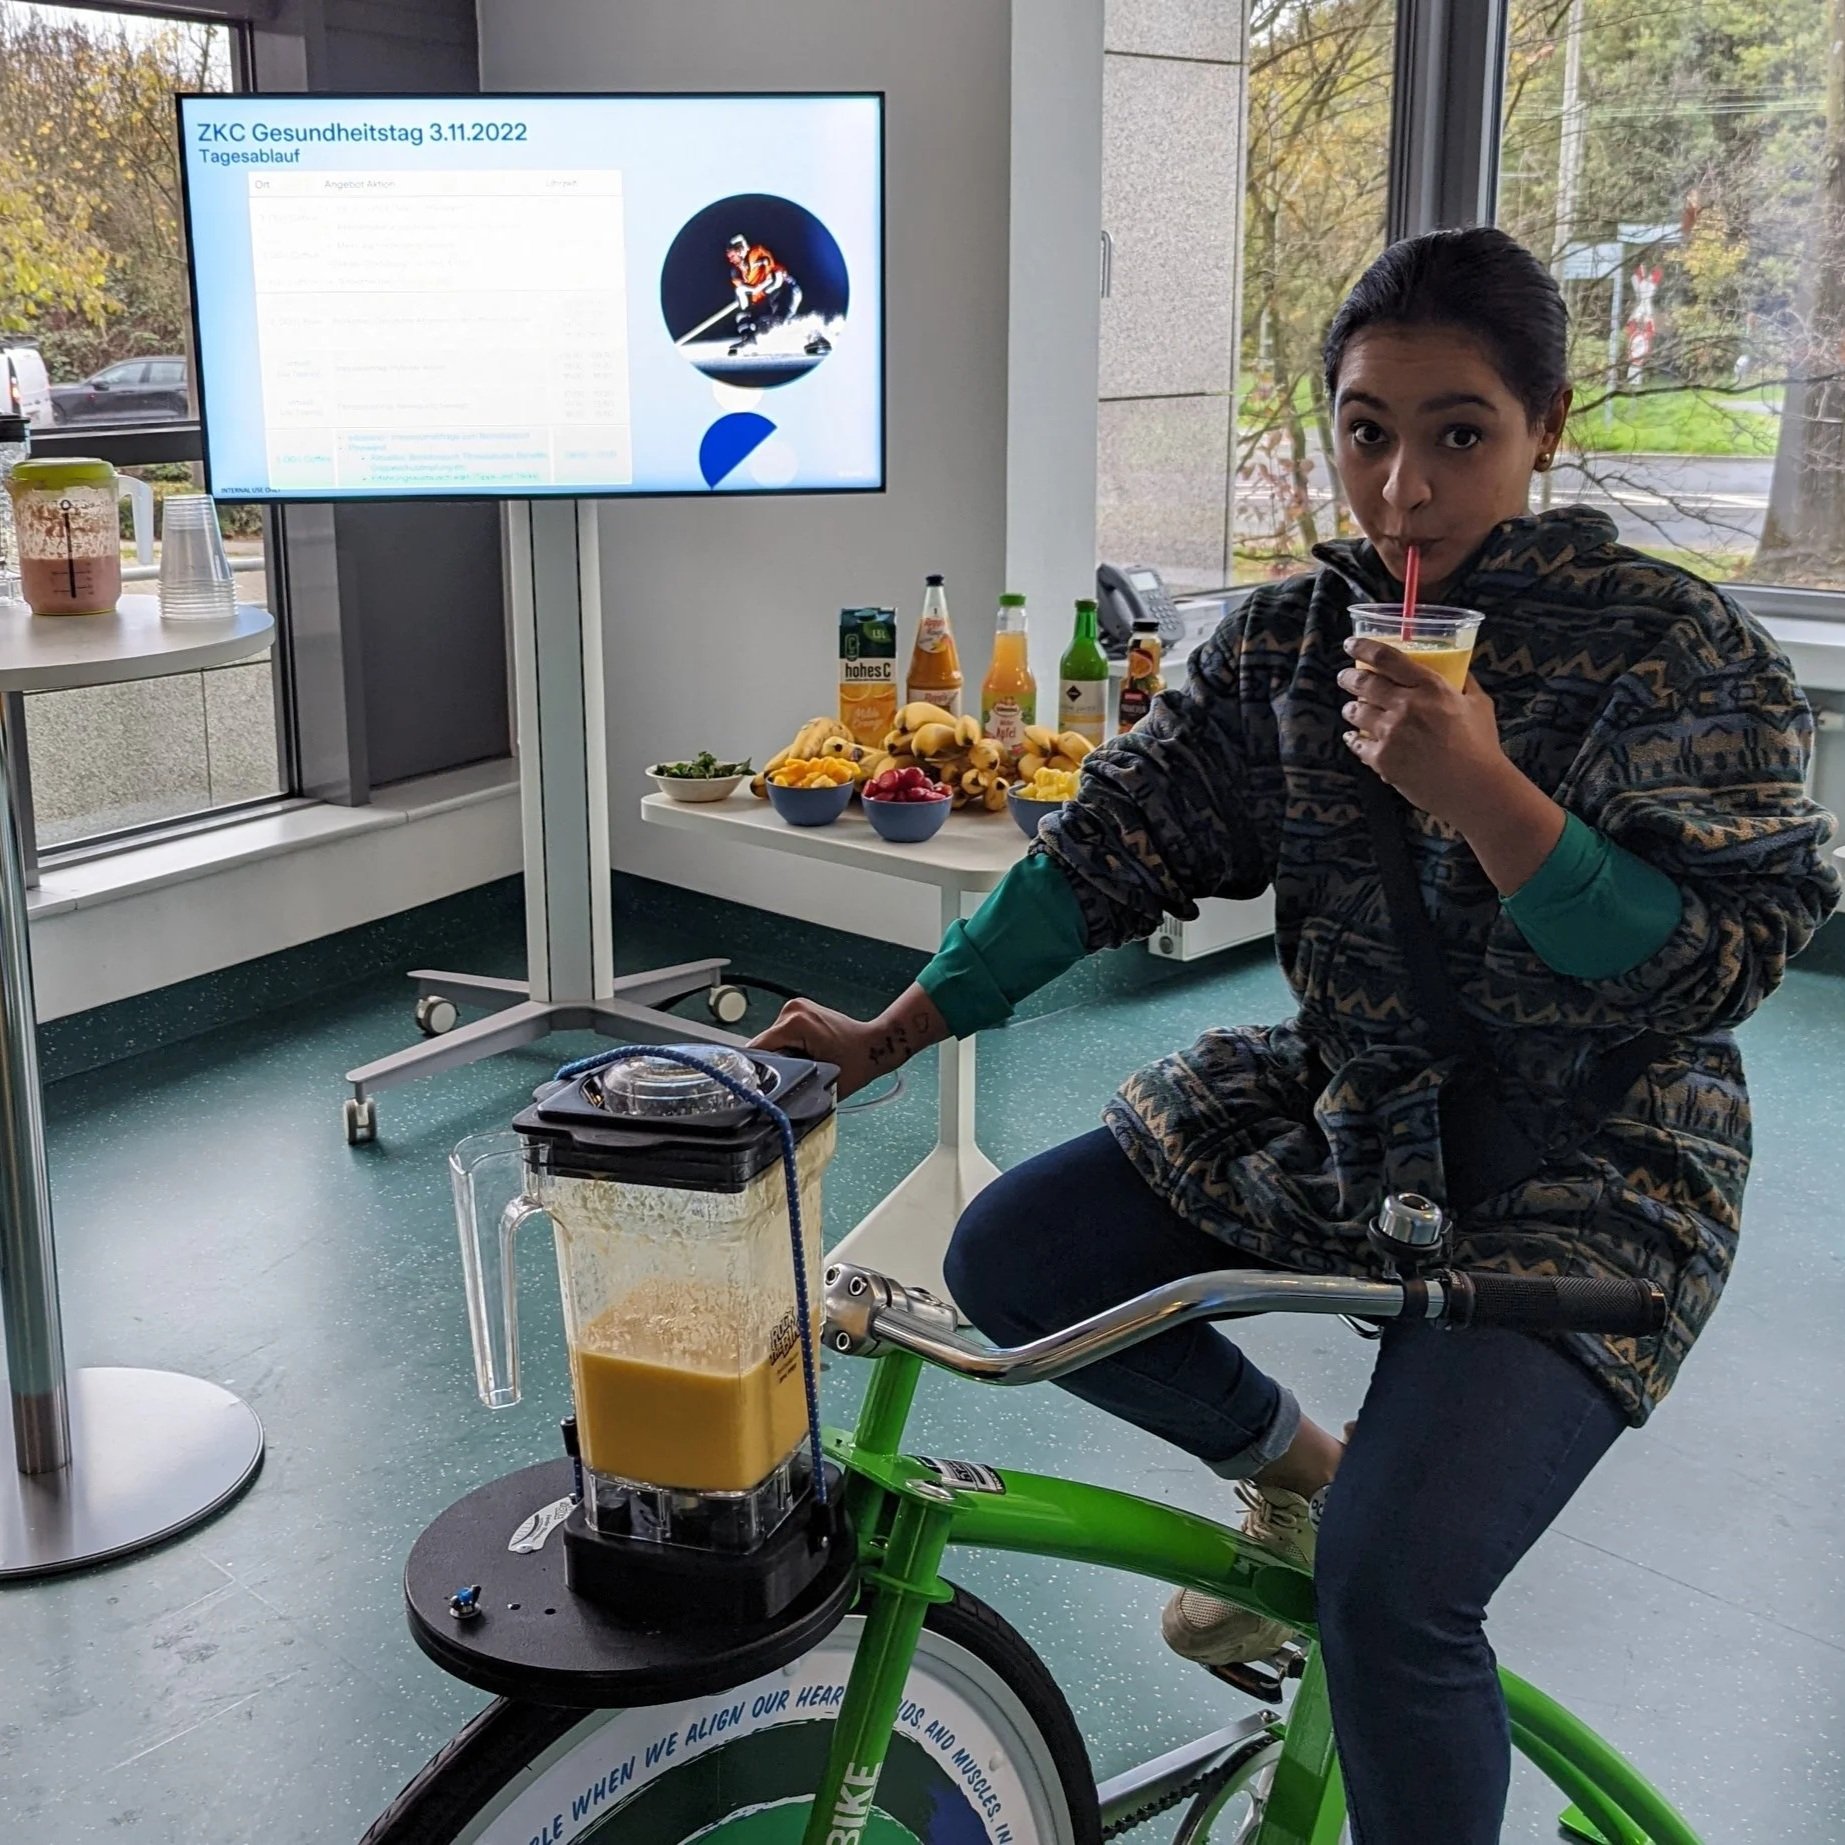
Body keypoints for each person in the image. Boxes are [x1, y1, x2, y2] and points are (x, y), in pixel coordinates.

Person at [755, 226, 1839, 1843]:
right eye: (1367, 430)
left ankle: (1363, 1555)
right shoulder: (1285, 645)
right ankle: (1297, 1467)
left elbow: (1721, 964)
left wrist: (1484, 790)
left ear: (1542, 427)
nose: (1403, 487)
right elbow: (1104, 851)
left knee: (1400, 1602)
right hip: (1353, 1107)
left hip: (1601, 1154)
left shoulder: (1668, 655)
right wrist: (887, 1035)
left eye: (1458, 433)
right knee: (1019, 1255)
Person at [724, 232, 829, 357]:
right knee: (752, 320)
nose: (730, 259)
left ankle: (816, 337)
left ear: (740, 249)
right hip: (766, 299)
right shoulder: (736, 272)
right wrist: (744, 299)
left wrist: (751, 290)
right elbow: (745, 296)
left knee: (781, 321)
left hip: (783, 289)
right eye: (728, 256)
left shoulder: (756, 254)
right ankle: (749, 341)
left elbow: (771, 278)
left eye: (732, 254)